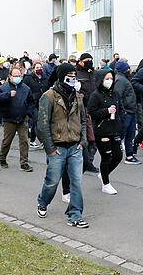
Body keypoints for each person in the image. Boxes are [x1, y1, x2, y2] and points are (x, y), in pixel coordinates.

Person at [35, 63, 89, 228]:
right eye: (70, 75)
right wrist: (50, 149)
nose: (73, 78)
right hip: (57, 147)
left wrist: (82, 141)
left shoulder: (78, 96)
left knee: (77, 182)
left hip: (75, 146)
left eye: (75, 75)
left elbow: (83, 120)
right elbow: (42, 125)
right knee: (52, 181)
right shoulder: (49, 96)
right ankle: (43, 201)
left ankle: (75, 214)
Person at [88, 69, 124, 194]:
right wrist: (106, 111)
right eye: (107, 79)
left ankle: (104, 174)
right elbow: (91, 113)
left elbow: (120, 109)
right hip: (102, 130)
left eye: (111, 78)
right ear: (101, 80)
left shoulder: (115, 94)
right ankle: (106, 183)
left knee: (118, 156)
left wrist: (121, 122)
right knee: (106, 157)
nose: (110, 81)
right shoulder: (95, 95)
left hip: (114, 130)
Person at [0, 66, 35, 172]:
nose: (17, 78)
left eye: (19, 76)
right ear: (10, 77)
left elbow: (31, 102)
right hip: (9, 119)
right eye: (15, 76)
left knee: (24, 141)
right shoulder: (3, 88)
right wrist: (7, 95)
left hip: (22, 119)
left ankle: (24, 163)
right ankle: (2, 158)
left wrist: (29, 113)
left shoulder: (26, 88)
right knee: (7, 141)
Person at [76, 53, 99, 173]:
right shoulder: (77, 74)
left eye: (91, 59)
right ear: (80, 61)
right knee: (86, 139)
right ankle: (84, 163)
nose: (89, 61)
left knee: (93, 140)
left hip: (94, 110)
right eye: (87, 60)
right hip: (82, 110)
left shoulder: (93, 74)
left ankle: (88, 162)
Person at [113, 60, 139, 165]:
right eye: (127, 68)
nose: (129, 70)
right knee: (122, 134)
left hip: (131, 111)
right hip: (126, 112)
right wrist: (122, 111)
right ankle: (116, 155)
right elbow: (118, 96)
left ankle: (129, 155)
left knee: (130, 135)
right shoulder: (121, 80)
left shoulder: (123, 79)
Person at [23, 62, 46, 149]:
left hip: (43, 103)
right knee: (36, 121)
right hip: (32, 104)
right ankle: (41, 141)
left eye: (40, 67)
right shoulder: (29, 78)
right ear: (33, 69)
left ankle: (33, 140)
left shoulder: (45, 78)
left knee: (39, 123)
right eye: (37, 67)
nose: (39, 69)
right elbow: (24, 89)